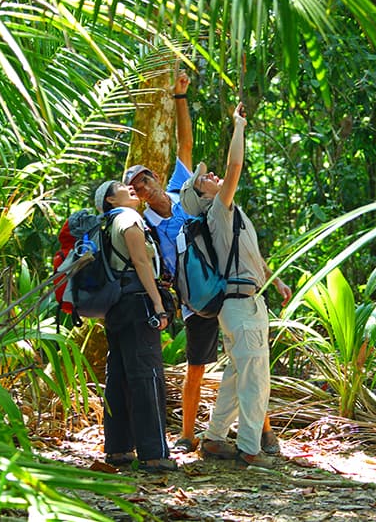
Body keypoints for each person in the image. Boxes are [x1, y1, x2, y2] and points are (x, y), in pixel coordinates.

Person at [122, 73, 287, 455]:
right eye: (138, 186)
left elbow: (186, 142)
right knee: (204, 364)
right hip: (196, 296)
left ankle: (261, 431)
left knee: (244, 363)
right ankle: (189, 434)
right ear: (137, 196)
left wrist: (180, 95)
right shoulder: (146, 225)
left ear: (158, 178)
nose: (146, 186)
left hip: (227, 282)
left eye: (147, 178)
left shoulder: (186, 192)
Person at [179, 103, 291, 468]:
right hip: (241, 307)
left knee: (235, 377)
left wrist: (276, 281)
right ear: (202, 196)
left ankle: (213, 440)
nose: (210, 176)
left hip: (243, 303)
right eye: (203, 179)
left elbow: (247, 255)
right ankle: (249, 449)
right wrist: (238, 126)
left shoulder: (228, 216)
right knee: (255, 380)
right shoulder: (217, 211)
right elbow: (235, 167)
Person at [94, 179, 177, 472]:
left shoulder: (105, 226)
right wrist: (157, 303)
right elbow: (141, 262)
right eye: (119, 187)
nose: (129, 187)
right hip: (137, 301)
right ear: (110, 201)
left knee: (118, 375)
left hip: (117, 306)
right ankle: (154, 454)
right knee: (147, 374)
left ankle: (118, 449)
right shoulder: (128, 218)